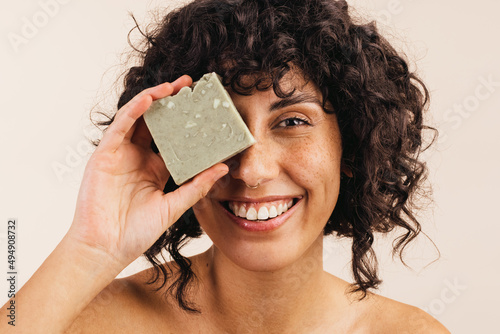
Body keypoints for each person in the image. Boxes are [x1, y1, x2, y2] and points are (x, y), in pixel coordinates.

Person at [1, 0, 450, 332]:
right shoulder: (95, 323)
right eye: (225, 128)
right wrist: (90, 249)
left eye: (292, 121)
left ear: (349, 148)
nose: (252, 170)